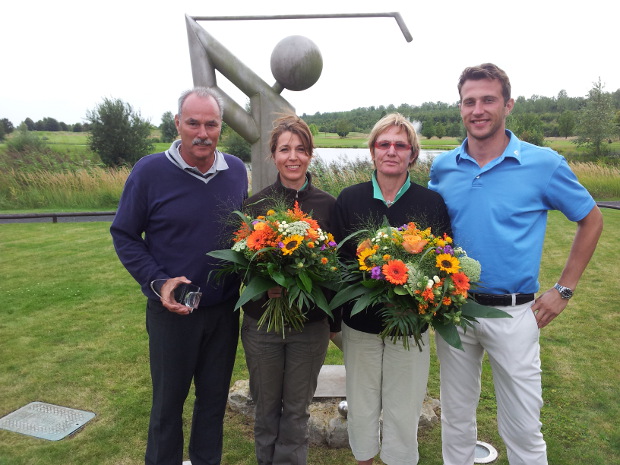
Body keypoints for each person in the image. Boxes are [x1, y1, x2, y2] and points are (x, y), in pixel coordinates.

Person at [428, 63, 603, 465]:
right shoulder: (443, 168)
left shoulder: (543, 164)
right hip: (454, 310)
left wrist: (563, 290)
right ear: (460, 108)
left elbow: (591, 219)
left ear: (507, 105)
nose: (478, 109)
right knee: (455, 420)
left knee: (523, 427)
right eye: (469, 101)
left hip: (516, 312)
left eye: (488, 99)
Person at [110, 87, 248, 465]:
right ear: (178, 124)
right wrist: (158, 281)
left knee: (213, 403)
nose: (202, 132)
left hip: (222, 313)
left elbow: (241, 236)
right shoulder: (150, 171)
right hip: (171, 313)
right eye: (193, 123)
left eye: (211, 124)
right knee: (167, 406)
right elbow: (124, 233)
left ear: (221, 128)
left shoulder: (236, 171)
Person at [331, 113, 452, 465]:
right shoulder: (350, 199)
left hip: (409, 327)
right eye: (384, 144)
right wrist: (334, 322)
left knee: (404, 407)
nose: (391, 151)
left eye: (401, 145)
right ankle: (364, 459)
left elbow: (443, 263)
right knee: (362, 404)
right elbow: (337, 266)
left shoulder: (430, 203)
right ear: (372, 151)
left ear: (412, 154)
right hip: (361, 326)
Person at [240, 114, 337, 465]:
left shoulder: (328, 205)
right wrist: (267, 284)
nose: (292, 156)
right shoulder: (255, 205)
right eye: (284, 149)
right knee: (266, 409)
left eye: (300, 149)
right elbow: (243, 266)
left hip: (309, 329)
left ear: (310, 154)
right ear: (273, 155)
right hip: (263, 325)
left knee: (296, 412)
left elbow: (335, 269)